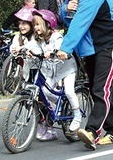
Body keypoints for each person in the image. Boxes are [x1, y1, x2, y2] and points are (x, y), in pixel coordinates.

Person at [56, 0, 113, 151]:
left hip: (111, 43)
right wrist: (65, 6)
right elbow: (66, 17)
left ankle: (92, 131)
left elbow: (81, 20)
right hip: (93, 47)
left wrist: (66, 47)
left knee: (100, 89)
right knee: (102, 89)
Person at [28, 9, 81, 141]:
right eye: (34, 25)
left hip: (66, 68)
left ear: (48, 24)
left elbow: (58, 46)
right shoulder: (39, 39)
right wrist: (23, 49)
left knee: (69, 91)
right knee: (45, 91)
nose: (36, 27)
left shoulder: (56, 36)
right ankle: (62, 105)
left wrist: (53, 51)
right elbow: (31, 45)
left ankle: (77, 114)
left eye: (38, 24)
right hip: (53, 71)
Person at [8, 7, 38, 82]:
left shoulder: (37, 36)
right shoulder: (18, 37)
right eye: (19, 23)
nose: (21, 26)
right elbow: (14, 45)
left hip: (41, 68)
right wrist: (14, 49)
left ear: (31, 24)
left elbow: (34, 44)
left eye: (24, 23)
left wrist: (21, 48)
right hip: (28, 68)